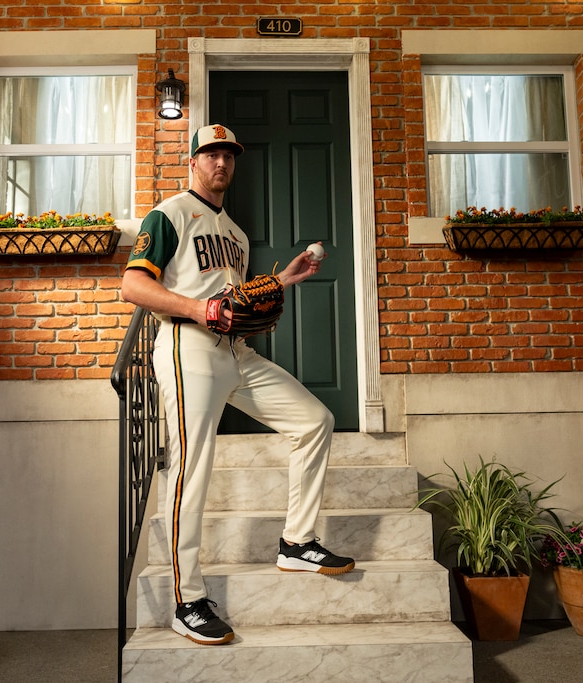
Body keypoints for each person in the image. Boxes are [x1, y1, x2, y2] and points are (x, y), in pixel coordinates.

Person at [121, 124, 355, 646]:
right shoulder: (169, 214)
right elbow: (133, 284)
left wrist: (282, 280)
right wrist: (197, 308)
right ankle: (187, 600)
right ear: (194, 162)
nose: (221, 162)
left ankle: (297, 543)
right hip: (188, 347)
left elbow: (234, 298)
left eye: (228, 155)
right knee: (191, 469)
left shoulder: (237, 235)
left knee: (314, 421)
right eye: (211, 154)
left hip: (235, 352)